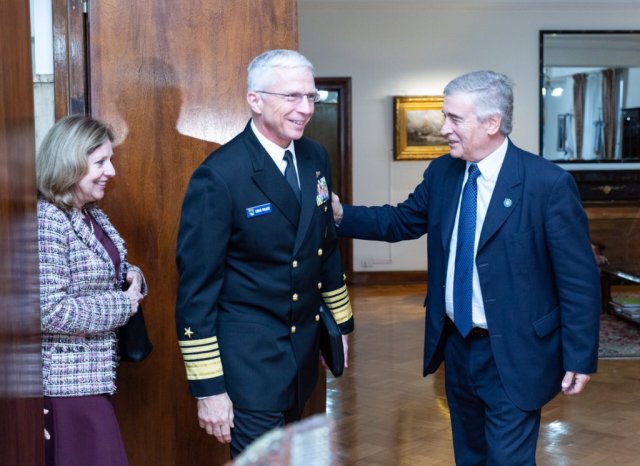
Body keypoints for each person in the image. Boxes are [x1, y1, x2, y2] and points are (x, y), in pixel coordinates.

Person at [332, 70, 600, 465]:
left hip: (516, 348)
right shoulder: (443, 173)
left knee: (507, 459)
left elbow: (578, 280)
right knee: (469, 456)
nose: (443, 128)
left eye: (454, 119)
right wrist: (340, 215)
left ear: (492, 123)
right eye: (445, 117)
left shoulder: (547, 184)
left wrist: (579, 355)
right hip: (457, 345)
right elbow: (401, 220)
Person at [175, 49, 354, 457]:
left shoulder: (314, 157)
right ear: (255, 100)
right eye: (291, 97)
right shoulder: (220, 175)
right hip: (249, 363)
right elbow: (196, 290)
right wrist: (209, 388)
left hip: (303, 354)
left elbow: (324, 247)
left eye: (312, 96)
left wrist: (339, 327)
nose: (306, 108)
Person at [37, 115, 146, 466]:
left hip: (95, 378)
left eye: (109, 160)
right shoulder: (48, 219)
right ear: (69, 164)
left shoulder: (90, 213)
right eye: (100, 162)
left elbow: (107, 266)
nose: (110, 171)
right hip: (68, 387)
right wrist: (124, 304)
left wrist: (134, 276)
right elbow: (50, 310)